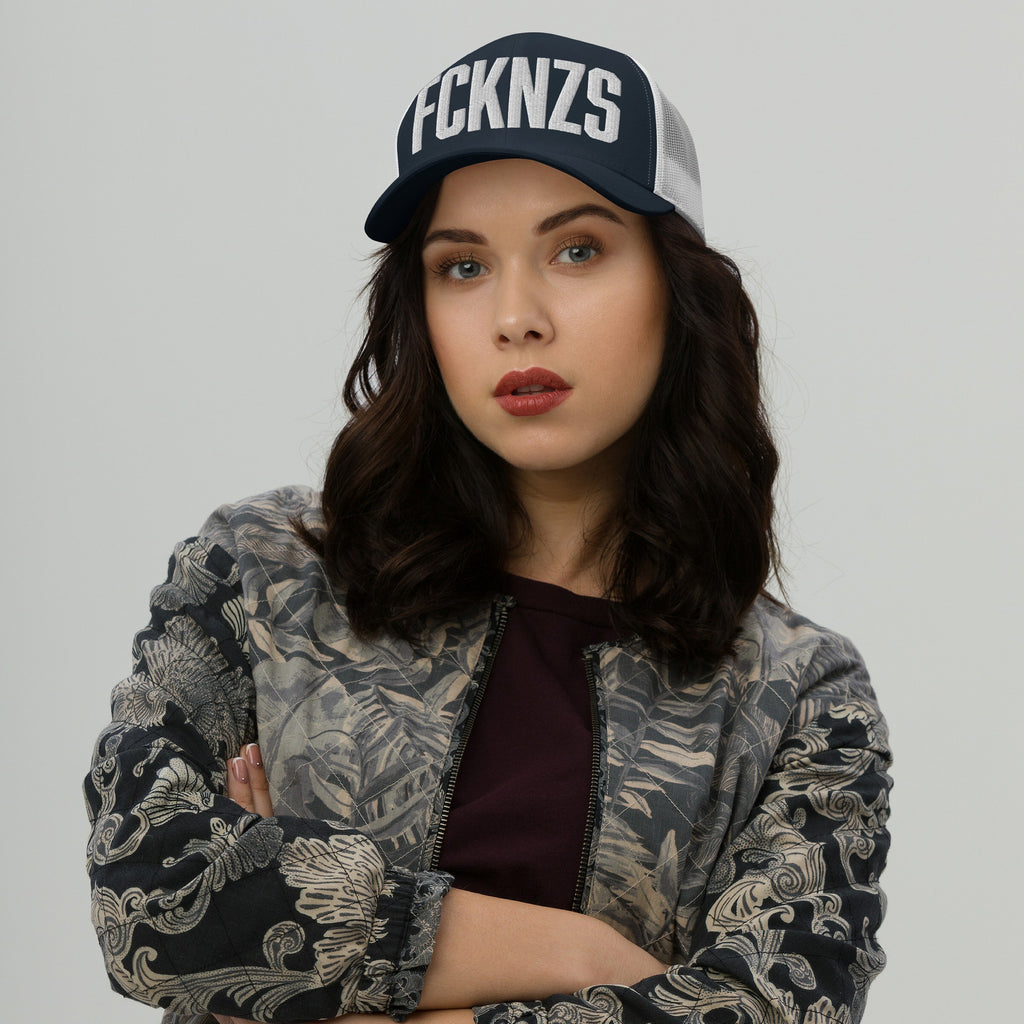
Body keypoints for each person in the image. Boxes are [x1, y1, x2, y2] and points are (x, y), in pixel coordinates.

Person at [84, 31, 891, 1024]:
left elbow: (773, 1007)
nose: (516, 316)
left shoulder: (796, 693)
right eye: (462, 265)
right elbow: (152, 898)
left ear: (675, 286)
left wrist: (311, 963)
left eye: (577, 249)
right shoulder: (260, 575)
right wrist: (588, 956)